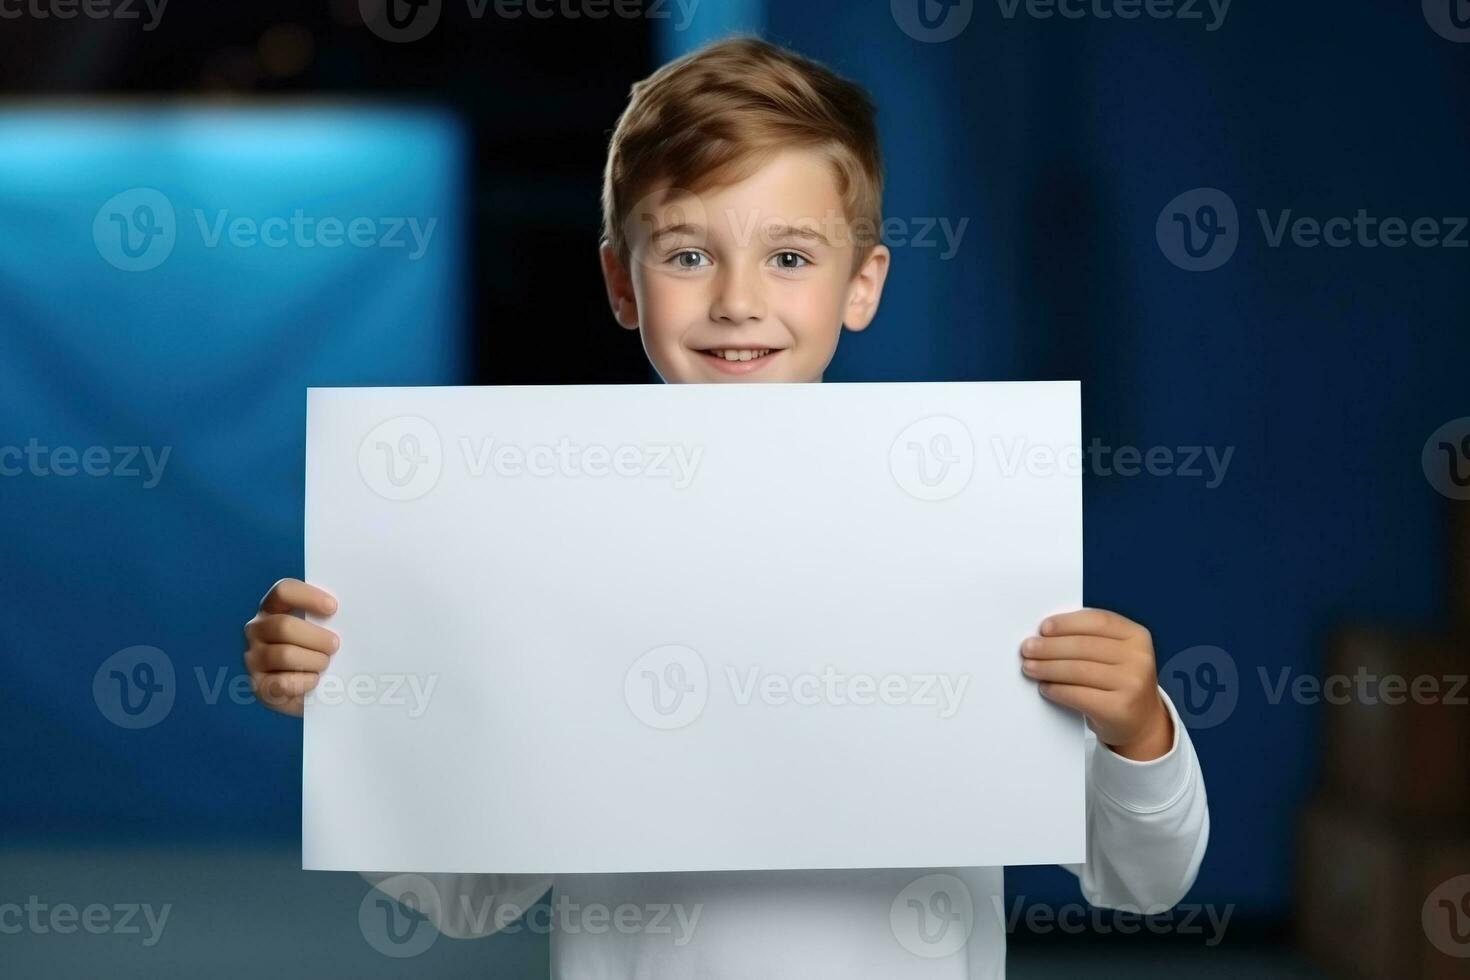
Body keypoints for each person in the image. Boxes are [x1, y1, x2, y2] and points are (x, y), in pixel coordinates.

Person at [242, 35, 1208, 978]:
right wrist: (354, 707)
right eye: (688, 255)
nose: (739, 301)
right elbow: (465, 896)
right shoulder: (557, 550)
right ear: (623, 282)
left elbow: (1144, 880)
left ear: (860, 284)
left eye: (789, 257)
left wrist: (1138, 730)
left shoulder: (964, 535)